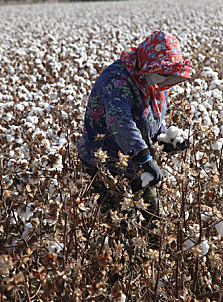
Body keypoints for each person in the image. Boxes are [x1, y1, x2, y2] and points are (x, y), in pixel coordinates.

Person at [77, 30, 193, 222]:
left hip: (135, 162)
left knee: (156, 222)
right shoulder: (116, 80)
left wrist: (165, 140)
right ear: (150, 63)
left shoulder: (148, 81)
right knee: (124, 227)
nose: (165, 78)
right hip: (106, 165)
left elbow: (149, 120)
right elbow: (121, 124)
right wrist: (146, 158)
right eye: (162, 72)